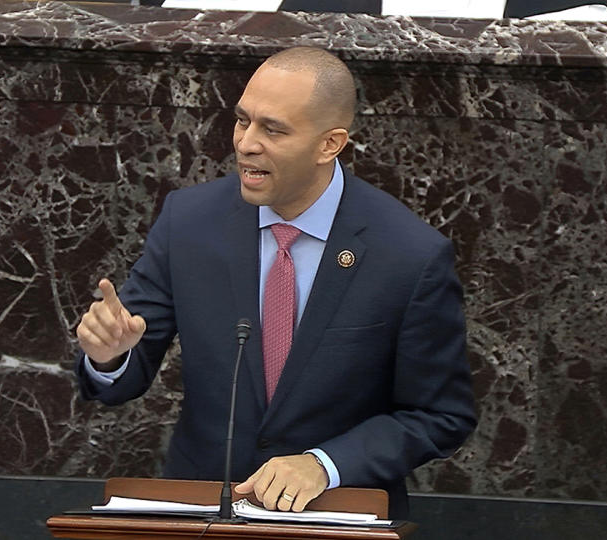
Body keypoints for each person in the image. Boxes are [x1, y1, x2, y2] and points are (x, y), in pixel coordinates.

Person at [74, 46, 476, 519]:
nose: (245, 143)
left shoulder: (409, 254)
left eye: (273, 129)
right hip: (203, 512)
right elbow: (123, 372)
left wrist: (325, 465)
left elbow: (440, 415)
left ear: (330, 144)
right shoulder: (189, 222)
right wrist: (110, 355)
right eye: (243, 120)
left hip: (336, 515)